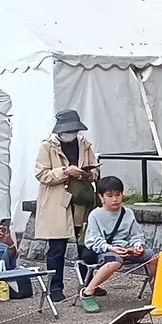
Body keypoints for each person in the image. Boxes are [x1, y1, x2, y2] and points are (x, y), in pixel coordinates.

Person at [35, 110, 100, 303]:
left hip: (80, 199)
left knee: (85, 245)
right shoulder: (48, 146)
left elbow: (95, 169)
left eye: (74, 129)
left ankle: (89, 284)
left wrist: (87, 174)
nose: (72, 133)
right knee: (57, 247)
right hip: (57, 201)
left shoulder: (84, 145)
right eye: (69, 129)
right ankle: (55, 287)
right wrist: (65, 171)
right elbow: (41, 174)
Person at [79, 176, 154, 313]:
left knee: (154, 257)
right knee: (115, 262)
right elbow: (92, 238)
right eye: (110, 195)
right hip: (106, 250)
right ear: (101, 197)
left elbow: (135, 234)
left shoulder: (128, 213)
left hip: (127, 248)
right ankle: (88, 292)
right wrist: (110, 248)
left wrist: (137, 245)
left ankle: (158, 290)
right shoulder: (95, 215)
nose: (115, 199)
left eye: (118, 195)